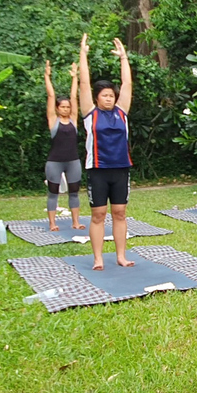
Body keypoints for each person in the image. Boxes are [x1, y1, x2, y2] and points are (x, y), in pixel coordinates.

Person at [78, 34, 134, 271]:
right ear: (97, 98)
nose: (109, 98)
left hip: (121, 169)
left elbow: (128, 85)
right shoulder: (90, 113)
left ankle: (121, 256)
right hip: (98, 170)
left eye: (112, 95)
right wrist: (83, 55)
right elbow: (83, 84)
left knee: (120, 213)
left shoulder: (121, 112)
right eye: (105, 95)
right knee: (99, 214)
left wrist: (124, 58)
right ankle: (98, 258)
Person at [44, 60, 85, 231]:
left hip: (73, 161)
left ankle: (75, 222)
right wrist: (47, 76)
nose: (66, 109)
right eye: (63, 107)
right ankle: (52, 223)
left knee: (74, 192)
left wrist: (75, 77)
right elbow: (51, 96)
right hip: (55, 161)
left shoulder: (74, 120)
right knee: (53, 192)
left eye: (68, 107)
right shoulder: (53, 121)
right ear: (58, 109)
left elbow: (74, 97)